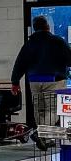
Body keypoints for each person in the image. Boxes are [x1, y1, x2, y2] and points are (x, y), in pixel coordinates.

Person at [11, 16, 71, 149]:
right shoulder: (57, 41)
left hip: (34, 81)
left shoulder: (29, 44)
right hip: (53, 80)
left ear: (34, 28)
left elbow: (19, 63)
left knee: (39, 110)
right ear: (48, 26)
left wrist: (15, 82)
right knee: (53, 110)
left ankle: (45, 139)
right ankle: (40, 134)